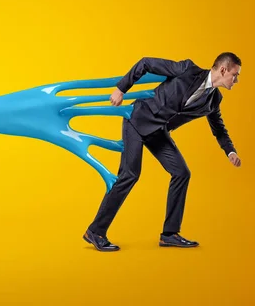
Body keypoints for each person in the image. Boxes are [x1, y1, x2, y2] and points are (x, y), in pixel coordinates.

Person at [83, 52, 242, 251]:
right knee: (130, 174)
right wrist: (121, 89)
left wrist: (230, 152)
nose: (236, 80)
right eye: (235, 75)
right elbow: (146, 63)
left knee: (181, 173)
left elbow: (219, 130)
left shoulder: (213, 100)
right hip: (137, 119)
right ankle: (95, 231)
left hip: (158, 131)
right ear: (223, 70)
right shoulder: (187, 70)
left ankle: (169, 234)